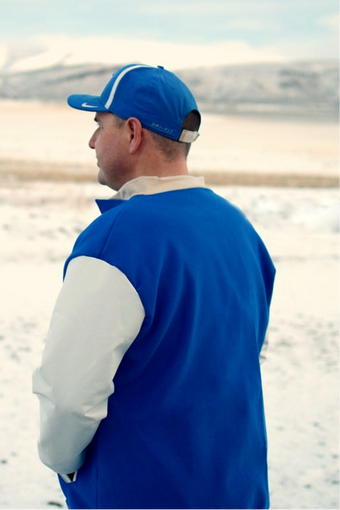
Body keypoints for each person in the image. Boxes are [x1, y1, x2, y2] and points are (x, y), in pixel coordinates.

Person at [32, 63, 276, 510]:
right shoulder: (238, 229)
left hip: (144, 492)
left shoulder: (118, 238)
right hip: (235, 488)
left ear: (131, 132)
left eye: (98, 125)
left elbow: (68, 397)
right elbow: (236, 358)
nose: (90, 141)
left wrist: (64, 462)